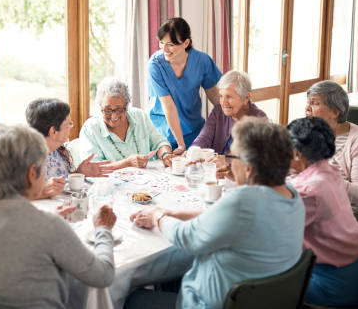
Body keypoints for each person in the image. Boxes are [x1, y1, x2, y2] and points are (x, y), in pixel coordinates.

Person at [127, 117, 305, 309]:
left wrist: (157, 216)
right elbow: (223, 216)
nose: (228, 163)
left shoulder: (242, 201)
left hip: (206, 303)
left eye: (232, 156)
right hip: (266, 299)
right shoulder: (291, 194)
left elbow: (186, 237)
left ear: (248, 167)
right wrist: (173, 212)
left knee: (130, 297)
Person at [0, 123, 116, 309]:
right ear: (32, 173)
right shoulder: (48, 227)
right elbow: (103, 276)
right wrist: (103, 228)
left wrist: (45, 220)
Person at [287, 117, 358, 307]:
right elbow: (295, 183)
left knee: (256, 275)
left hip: (334, 286)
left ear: (297, 154)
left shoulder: (308, 191)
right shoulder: (329, 172)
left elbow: (276, 234)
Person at [0, 98, 114, 199]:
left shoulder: (60, 152)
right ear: (53, 131)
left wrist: (78, 173)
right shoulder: (19, 154)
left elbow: (61, 185)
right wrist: (40, 192)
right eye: (68, 124)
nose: (71, 127)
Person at [305, 80, 358, 241]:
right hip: (315, 209)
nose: (307, 108)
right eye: (308, 103)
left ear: (335, 112)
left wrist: (328, 182)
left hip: (355, 213)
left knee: (314, 237)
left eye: (314, 103)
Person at [147, 17, 222, 152]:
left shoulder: (202, 61)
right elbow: (168, 107)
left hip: (195, 130)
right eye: (161, 43)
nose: (165, 49)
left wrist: (236, 117)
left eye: (170, 44)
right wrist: (181, 145)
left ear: (186, 43)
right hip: (163, 133)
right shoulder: (155, 65)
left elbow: (215, 96)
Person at [80, 77, 173, 169]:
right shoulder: (90, 129)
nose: (114, 116)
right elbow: (92, 168)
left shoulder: (139, 116)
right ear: (100, 106)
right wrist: (127, 163)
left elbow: (160, 142)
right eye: (107, 110)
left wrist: (166, 154)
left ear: (127, 107)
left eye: (119, 110)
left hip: (147, 179)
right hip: (112, 183)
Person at [191, 70, 266, 179]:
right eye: (221, 96)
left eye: (229, 97)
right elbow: (204, 137)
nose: (223, 102)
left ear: (246, 98)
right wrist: (194, 151)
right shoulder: (218, 112)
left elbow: (254, 159)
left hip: (241, 178)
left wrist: (226, 160)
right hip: (214, 175)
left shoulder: (259, 120)